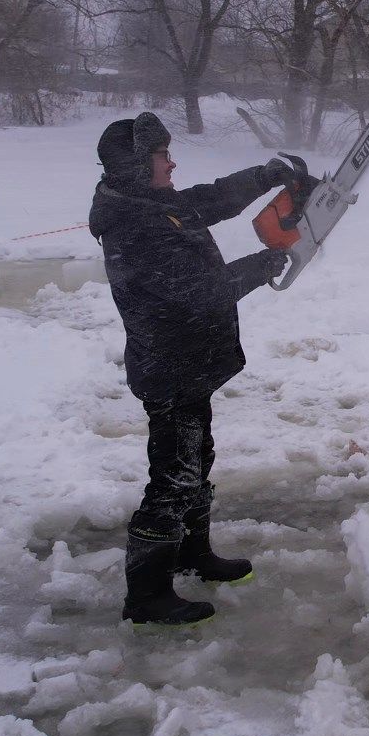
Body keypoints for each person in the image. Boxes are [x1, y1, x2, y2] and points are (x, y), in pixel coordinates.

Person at [89, 112, 310, 626]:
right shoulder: (134, 223)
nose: (171, 162)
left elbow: (209, 200)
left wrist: (264, 177)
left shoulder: (149, 202)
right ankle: (145, 595)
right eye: (161, 155)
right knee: (172, 478)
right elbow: (198, 292)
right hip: (170, 366)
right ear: (138, 166)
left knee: (197, 461)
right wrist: (261, 265)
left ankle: (194, 552)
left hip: (187, 363)